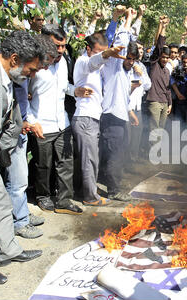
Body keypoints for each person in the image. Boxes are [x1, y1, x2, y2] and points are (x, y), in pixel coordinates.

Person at [0, 31, 44, 285]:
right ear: (15, 59)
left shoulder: (8, 80)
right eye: (31, 70)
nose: (32, 76)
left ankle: (8, 250)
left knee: (1, 203)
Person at [27, 24, 91, 215]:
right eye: (57, 45)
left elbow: (64, 87)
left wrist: (75, 91)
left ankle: (63, 200)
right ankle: (43, 196)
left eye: (64, 46)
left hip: (62, 123)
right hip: (41, 124)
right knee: (43, 165)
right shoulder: (33, 63)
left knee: (66, 163)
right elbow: (23, 96)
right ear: (44, 40)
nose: (61, 50)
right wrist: (31, 120)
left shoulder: (63, 63)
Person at [1, 34, 57, 240]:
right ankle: (19, 221)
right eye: (37, 67)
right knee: (16, 180)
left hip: (20, 127)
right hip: (12, 131)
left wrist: (25, 122)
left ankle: (21, 212)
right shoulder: (13, 73)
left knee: (20, 178)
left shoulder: (20, 73)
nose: (36, 73)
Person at [72, 31, 126, 206]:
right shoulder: (83, 62)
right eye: (97, 51)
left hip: (92, 118)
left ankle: (87, 193)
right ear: (88, 49)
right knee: (89, 160)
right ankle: (90, 197)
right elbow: (93, 62)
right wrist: (105, 54)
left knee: (92, 159)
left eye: (103, 51)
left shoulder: (97, 65)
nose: (101, 56)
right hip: (85, 118)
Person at [100, 8, 141, 202]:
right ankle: (113, 190)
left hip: (121, 116)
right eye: (128, 58)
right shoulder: (114, 65)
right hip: (111, 117)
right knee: (114, 154)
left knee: (118, 152)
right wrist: (127, 19)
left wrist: (130, 112)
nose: (130, 62)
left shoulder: (127, 72)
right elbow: (120, 43)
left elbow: (124, 98)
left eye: (133, 60)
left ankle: (111, 184)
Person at [146, 16, 172, 142]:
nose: (165, 59)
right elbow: (159, 46)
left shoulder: (167, 71)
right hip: (154, 101)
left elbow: (168, 89)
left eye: (167, 57)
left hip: (164, 102)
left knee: (161, 129)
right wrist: (163, 27)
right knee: (154, 129)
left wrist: (170, 103)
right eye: (163, 57)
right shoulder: (154, 65)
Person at [171, 53, 187, 125]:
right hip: (179, 101)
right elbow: (172, 82)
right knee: (178, 121)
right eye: (184, 62)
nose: (186, 64)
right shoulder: (177, 70)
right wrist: (178, 94)